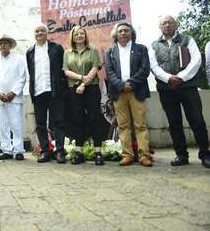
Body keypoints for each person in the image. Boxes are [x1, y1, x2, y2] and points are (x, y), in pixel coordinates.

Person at [149, 15, 210, 168]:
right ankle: (181, 155)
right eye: (164, 23)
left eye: (170, 22)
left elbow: (196, 60)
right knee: (174, 122)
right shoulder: (154, 45)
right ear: (160, 26)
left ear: (176, 25)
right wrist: (169, 78)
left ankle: (205, 154)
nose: (167, 25)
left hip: (188, 87)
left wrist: (181, 77)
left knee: (197, 120)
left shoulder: (187, 40)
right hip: (166, 89)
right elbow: (154, 66)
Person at [105, 22, 152, 167]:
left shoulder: (141, 49)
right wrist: (121, 85)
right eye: (120, 31)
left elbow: (145, 69)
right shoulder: (110, 51)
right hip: (119, 93)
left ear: (131, 33)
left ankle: (144, 156)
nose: (123, 33)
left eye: (126, 30)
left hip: (136, 91)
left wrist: (130, 83)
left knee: (140, 125)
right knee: (123, 126)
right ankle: (127, 155)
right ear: (116, 34)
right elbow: (109, 71)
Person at [26, 24, 67, 164]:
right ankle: (45, 151)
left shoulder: (57, 48)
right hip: (38, 91)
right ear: (34, 34)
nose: (39, 33)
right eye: (37, 31)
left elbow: (63, 69)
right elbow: (31, 72)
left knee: (58, 122)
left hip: (54, 91)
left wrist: (62, 87)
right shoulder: (30, 52)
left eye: (42, 31)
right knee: (40, 123)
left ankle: (59, 151)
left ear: (47, 33)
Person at [63, 26, 104, 165]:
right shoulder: (67, 53)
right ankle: (79, 152)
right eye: (76, 34)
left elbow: (95, 67)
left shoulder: (92, 50)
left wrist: (83, 84)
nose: (79, 36)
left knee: (94, 118)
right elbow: (66, 71)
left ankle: (98, 152)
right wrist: (81, 78)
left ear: (85, 36)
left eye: (82, 33)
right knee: (77, 119)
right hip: (74, 90)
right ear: (72, 37)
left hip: (91, 88)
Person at [0, 34, 26, 160]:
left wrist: (13, 93)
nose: (3, 45)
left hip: (14, 97)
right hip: (0, 98)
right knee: (3, 125)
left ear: (10, 45)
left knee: (16, 124)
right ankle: (6, 150)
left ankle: (19, 150)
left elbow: (22, 78)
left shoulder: (19, 59)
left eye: (6, 43)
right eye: (1, 43)